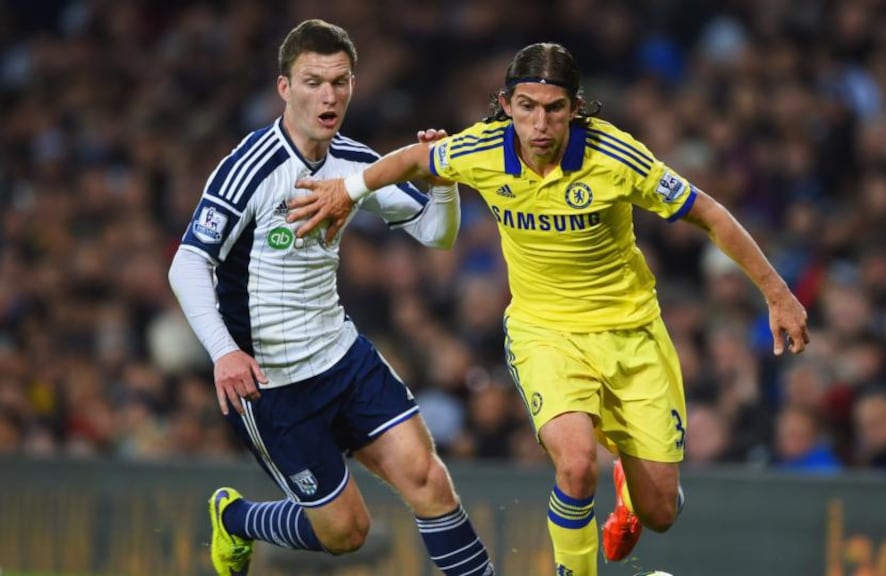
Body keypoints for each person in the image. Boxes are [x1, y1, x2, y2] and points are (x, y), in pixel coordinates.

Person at [287, 42, 809, 575]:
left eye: (554, 108)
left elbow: (711, 214)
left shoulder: (615, 157)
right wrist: (346, 190)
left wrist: (777, 292)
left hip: (633, 334)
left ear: (575, 108)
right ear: (506, 104)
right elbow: (417, 158)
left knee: (661, 513)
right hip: (546, 334)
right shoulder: (483, 149)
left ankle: (631, 486)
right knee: (577, 465)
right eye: (527, 106)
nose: (540, 123)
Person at [167, 19, 494, 576]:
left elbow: (435, 235)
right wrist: (224, 352)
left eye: (340, 81)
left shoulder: (354, 161)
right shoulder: (251, 169)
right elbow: (188, 262)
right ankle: (237, 519)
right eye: (314, 81)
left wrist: (444, 184)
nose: (329, 95)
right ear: (284, 88)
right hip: (272, 383)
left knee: (430, 482)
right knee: (346, 533)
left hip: (343, 358)